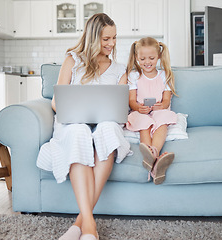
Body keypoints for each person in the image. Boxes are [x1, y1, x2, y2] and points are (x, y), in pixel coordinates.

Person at [36, 13, 131, 240]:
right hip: (73, 123)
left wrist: (111, 117)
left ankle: (80, 223)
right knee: (79, 131)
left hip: (105, 123)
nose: (112, 44)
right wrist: (75, 113)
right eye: (106, 39)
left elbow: (121, 110)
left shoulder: (119, 69)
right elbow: (56, 102)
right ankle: (89, 226)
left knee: (108, 129)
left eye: (114, 38)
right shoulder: (73, 60)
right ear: (92, 37)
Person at [125, 37, 177, 185]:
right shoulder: (134, 76)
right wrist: (138, 107)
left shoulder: (165, 74)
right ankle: (154, 160)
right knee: (144, 122)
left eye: (152, 58)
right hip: (142, 112)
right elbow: (132, 101)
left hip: (158, 110)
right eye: (142, 59)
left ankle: (153, 152)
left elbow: (166, 100)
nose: (147, 62)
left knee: (162, 120)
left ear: (158, 56)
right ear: (136, 58)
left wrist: (162, 105)